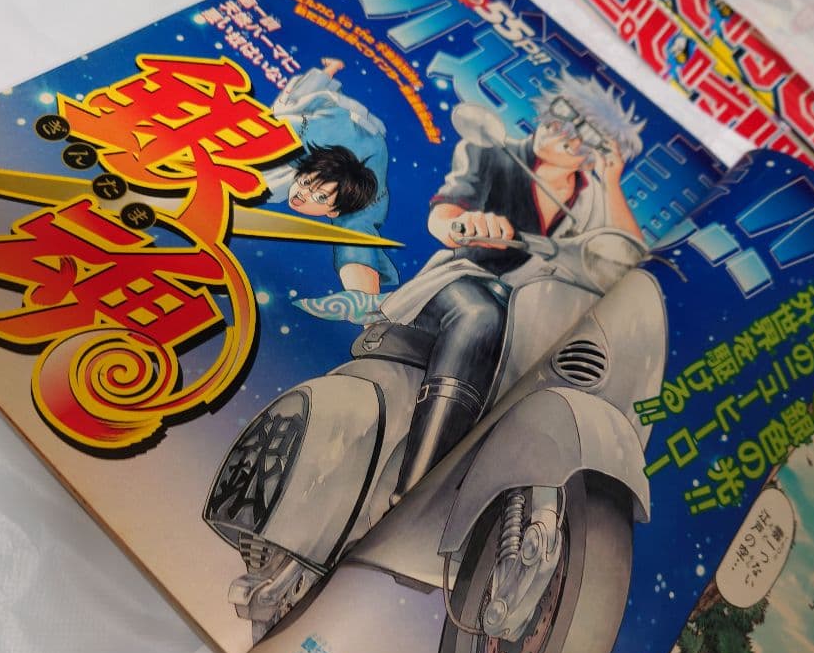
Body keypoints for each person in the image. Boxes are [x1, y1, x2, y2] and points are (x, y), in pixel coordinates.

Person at [381, 71, 646, 499]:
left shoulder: (592, 200)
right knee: (481, 318)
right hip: (463, 284)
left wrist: (612, 183)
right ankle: (412, 493)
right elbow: (444, 215)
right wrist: (465, 223)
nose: (558, 132)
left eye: (580, 135)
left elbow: (628, 259)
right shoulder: (491, 152)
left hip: (532, 309)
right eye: (559, 117)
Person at [266, 57, 398, 295]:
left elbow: (356, 242)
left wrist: (366, 304)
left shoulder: (368, 201)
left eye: (320, 198)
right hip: (327, 116)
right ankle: (334, 66)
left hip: (366, 138)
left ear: (333, 211)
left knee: (355, 228)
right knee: (288, 108)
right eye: (306, 183)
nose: (302, 196)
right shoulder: (302, 132)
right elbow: (287, 109)